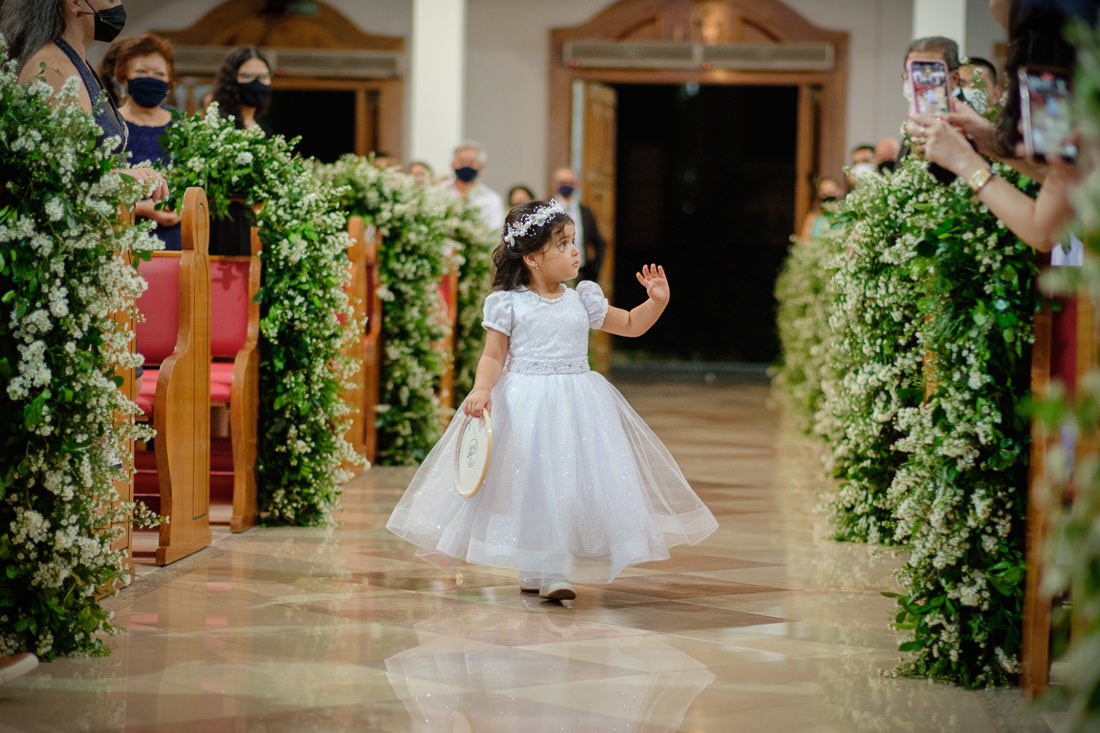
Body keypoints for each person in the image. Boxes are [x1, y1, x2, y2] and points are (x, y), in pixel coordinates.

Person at [386, 200, 718, 601]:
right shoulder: (508, 302)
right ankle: (540, 567)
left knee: (566, 487)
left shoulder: (583, 299)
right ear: (532, 258)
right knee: (530, 486)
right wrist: (482, 389)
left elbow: (630, 324)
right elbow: (493, 355)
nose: (575, 251)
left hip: (577, 406)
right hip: (525, 405)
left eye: (573, 241)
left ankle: (552, 569)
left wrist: (656, 302)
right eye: (563, 244)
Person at [2, 0, 167, 200]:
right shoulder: (52, 67)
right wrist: (121, 177)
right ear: (75, 3)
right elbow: (54, 175)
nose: (118, 4)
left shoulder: (74, 60)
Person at [116, 33, 181, 250]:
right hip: (125, 236)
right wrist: (142, 208)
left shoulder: (182, 125)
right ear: (123, 78)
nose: (151, 78)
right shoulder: (111, 125)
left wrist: (183, 208)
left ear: (170, 81)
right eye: (141, 72)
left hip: (177, 237)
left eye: (159, 74)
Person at [207, 46, 273, 255]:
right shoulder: (219, 126)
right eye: (247, 76)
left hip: (259, 222)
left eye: (263, 77)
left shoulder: (265, 131)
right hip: (227, 224)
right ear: (231, 81)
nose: (256, 83)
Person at [550, 167, 608, 282]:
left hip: (580, 273)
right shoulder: (547, 210)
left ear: (576, 185)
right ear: (555, 184)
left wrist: (594, 270)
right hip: (554, 273)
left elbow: (599, 243)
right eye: (562, 183)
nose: (566, 186)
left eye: (570, 183)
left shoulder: (586, 212)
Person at [448, 141, 505, 232]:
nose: (466, 166)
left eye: (471, 163)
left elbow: (495, 232)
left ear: (482, 167)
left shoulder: (492, 199)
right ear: (452, 164)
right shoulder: (439, 193)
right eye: (462, 162)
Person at [799, 176, 843, 240]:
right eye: (824, 191)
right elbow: (804, 241)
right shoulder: (812, 218)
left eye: (831, 190)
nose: (828, 194)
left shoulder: (845, 217)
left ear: (840, 192)